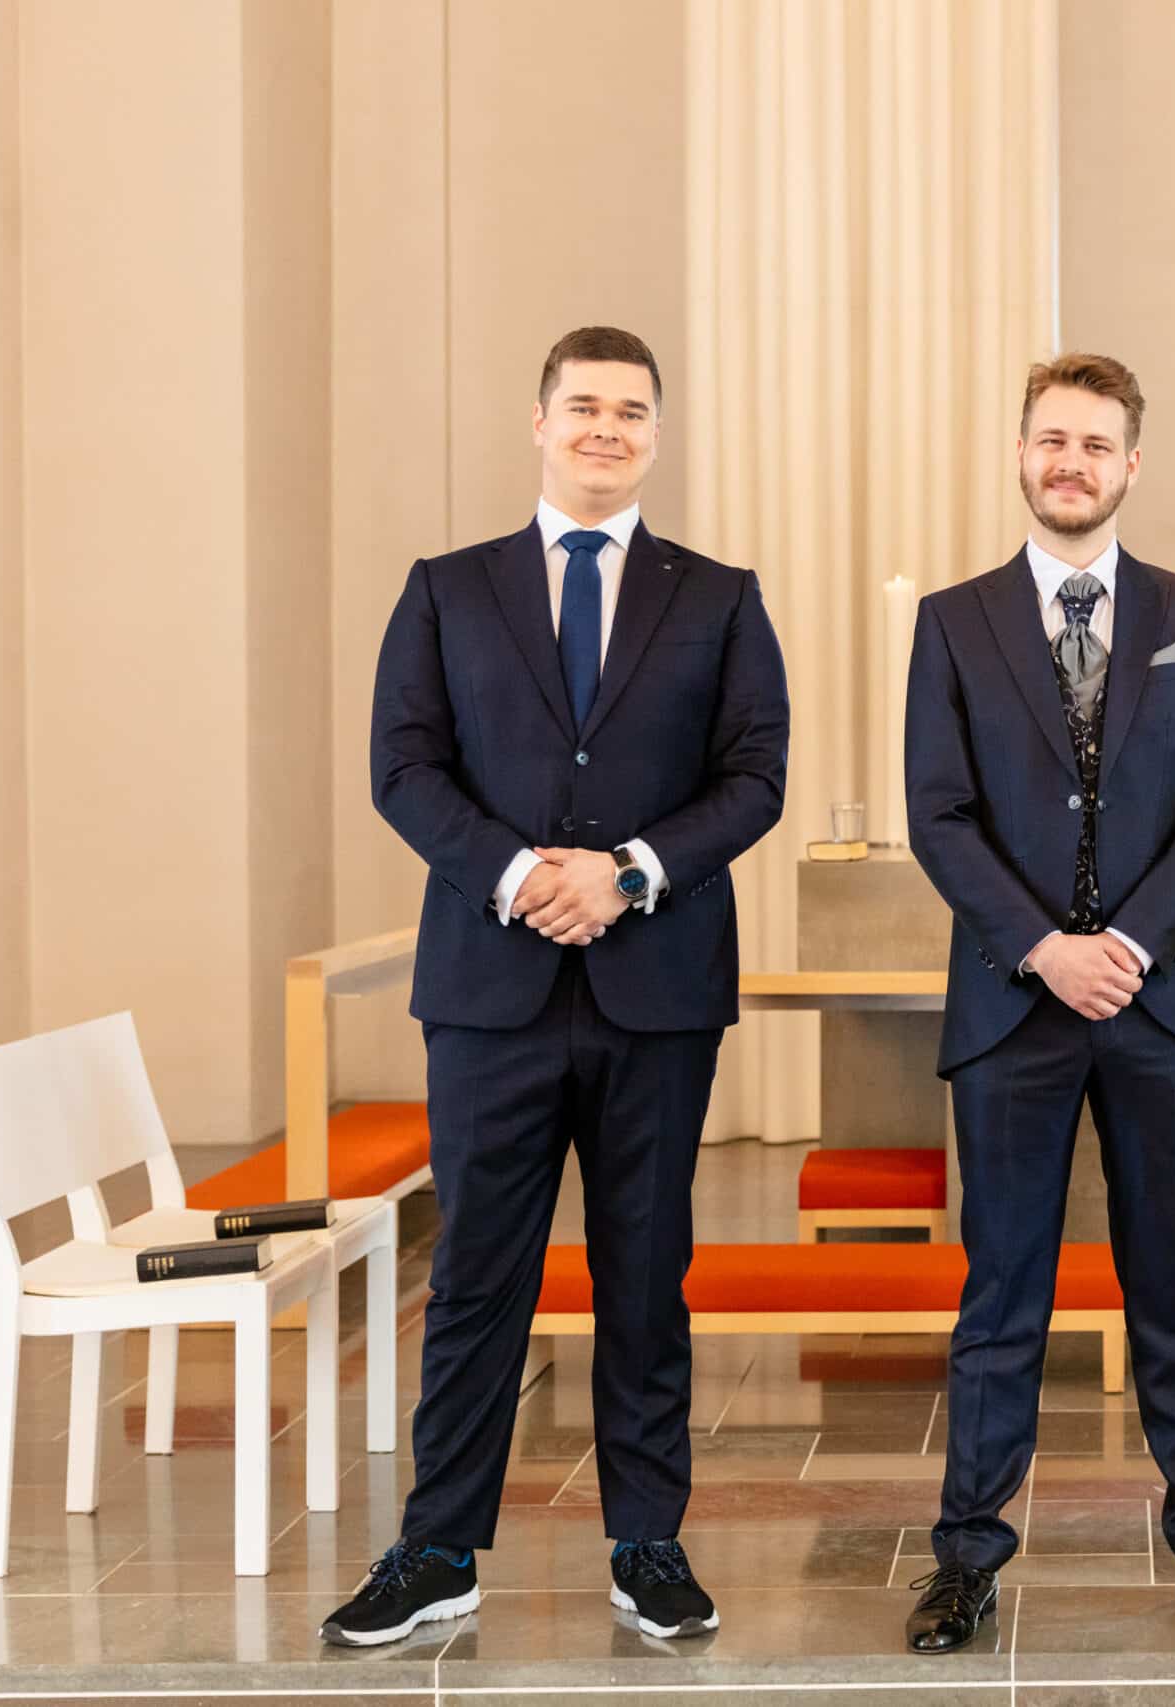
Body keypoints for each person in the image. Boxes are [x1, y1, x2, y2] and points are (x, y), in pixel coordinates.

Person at [322, 326, 789, 1646]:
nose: (604, 429)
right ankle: (437, 1547)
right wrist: (524, 872)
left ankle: (648, 1542)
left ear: (655, 435)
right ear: (539, 422)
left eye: (629, 411)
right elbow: (403, 766)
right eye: (582, 406)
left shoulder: (719, 597)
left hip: (658, 988)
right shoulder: (446, 590)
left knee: (646, 1271)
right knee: (478, 1272)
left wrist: (630, 872)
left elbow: (754, 776)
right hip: (491, 987)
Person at [899, 353, 1175, 1651]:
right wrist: (1041, 949)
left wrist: (1125, 941)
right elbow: (939, 813)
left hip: (1157, 1006)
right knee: (1001, 1292)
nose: (1072, 462)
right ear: (1022, 453)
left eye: (1096, 443)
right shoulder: (953, 622)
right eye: (1052, 439)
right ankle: (965, 1557)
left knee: (1172, 1286)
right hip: (1014, 1010)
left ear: (1131, 465)